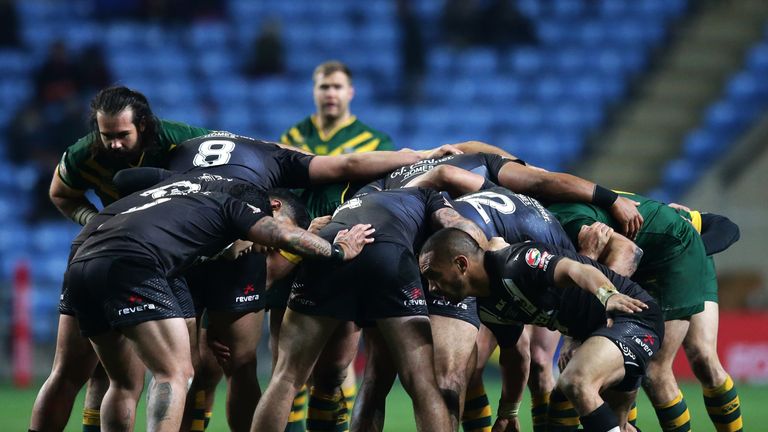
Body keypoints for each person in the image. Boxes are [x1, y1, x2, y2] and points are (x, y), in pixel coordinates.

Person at [349, 151, 643, 432]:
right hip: (447, 249)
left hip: (386, 234)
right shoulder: (524, 247)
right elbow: (579, 275)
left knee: (377, 374)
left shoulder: (490, 191)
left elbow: (444, 173)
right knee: (449, 377)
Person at [66, 172, 375, 432]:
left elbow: (124, 178)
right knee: (174, 373)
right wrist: (338, 251)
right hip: (131, 263)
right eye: (257, 241)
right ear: (271, 208)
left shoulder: (185, 200)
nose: (256, 249)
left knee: (121, 384)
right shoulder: (236, 207)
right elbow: (284, 236)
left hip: (82, 260)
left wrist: (213, 321)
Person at [31, 86, 210, 432]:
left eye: (121, 135)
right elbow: (60, 193)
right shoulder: (84, 153)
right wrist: (94, 219)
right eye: (106, 135)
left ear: (143, 125)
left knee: (118, 379)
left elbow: (232, 154)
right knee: (156, 374)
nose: (112, 144)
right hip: (134, 259)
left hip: (129, 258)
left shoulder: (179, 140)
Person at [251, 187, 488, 432]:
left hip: (331, 244)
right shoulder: (428, 194)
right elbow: (454, 223)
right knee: (423, 383)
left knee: (286, 376)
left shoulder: (358, 196)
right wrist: (487, 253)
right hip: (388, 252)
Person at [419, 228, 665, 431]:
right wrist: (508, 412)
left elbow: (575, 269)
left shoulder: (517, 262)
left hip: (632, 317)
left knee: (576, 381)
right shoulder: (487, 307)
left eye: (434, 276)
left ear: (461, 264)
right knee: (563, 419)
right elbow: (515, 356)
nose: (431, 288)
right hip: (597, 335)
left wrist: (608, 295)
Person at [548, 193, 744, 432]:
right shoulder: (584, 229)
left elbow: (726, 227)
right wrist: (572, 338)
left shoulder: (664, 217)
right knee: (624, 363)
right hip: (640, 273)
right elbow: (584, 290)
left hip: (681, 262)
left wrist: (687, 253)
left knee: (694, 359)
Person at [278, 60, 395, 431]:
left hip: (346, 256)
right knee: (289, 360)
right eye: (324, 87)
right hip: (296, 251)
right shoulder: (293, 137)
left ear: (350, 92)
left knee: (337, 363)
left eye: (337, 87)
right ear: (314, 91)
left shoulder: (375, 143)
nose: (330, 93)